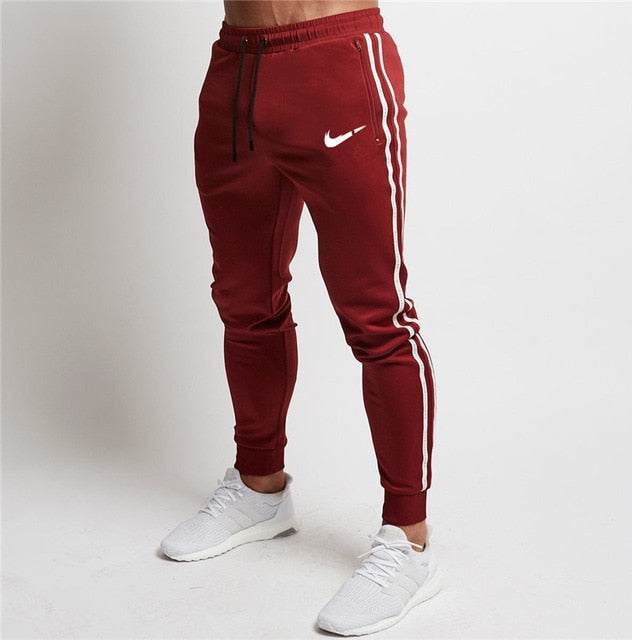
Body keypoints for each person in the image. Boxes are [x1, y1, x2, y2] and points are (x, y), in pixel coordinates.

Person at [160, 0, 442, 635]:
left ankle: (409, 538)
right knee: (244, 300)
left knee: (377, 315)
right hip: (235, 70)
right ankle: (260, 485)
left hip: (335, 65)